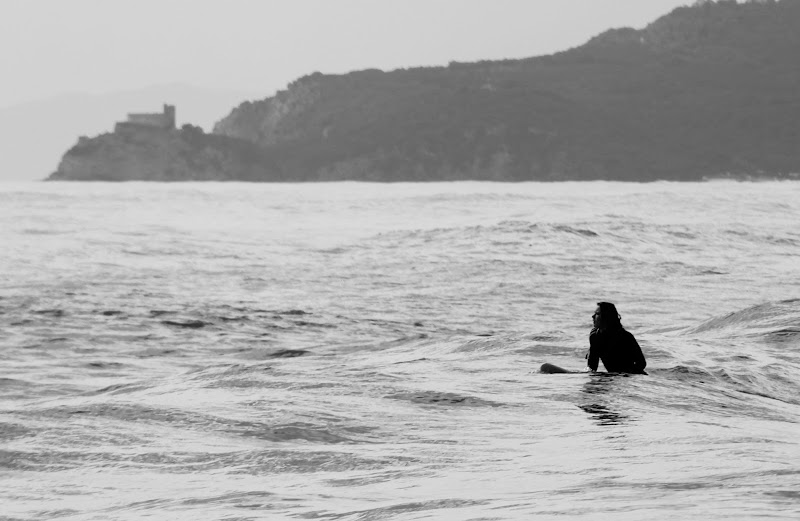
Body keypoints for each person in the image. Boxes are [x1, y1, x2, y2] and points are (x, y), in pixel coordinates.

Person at [586, 302, 647, 374]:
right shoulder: (595, 336)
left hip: (630, 378)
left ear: (606, 317)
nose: (593, 316)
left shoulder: (625, 336)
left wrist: (625, 375)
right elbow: (592, 367)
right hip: (613, 378)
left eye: (597, 314)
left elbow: (642, 363)